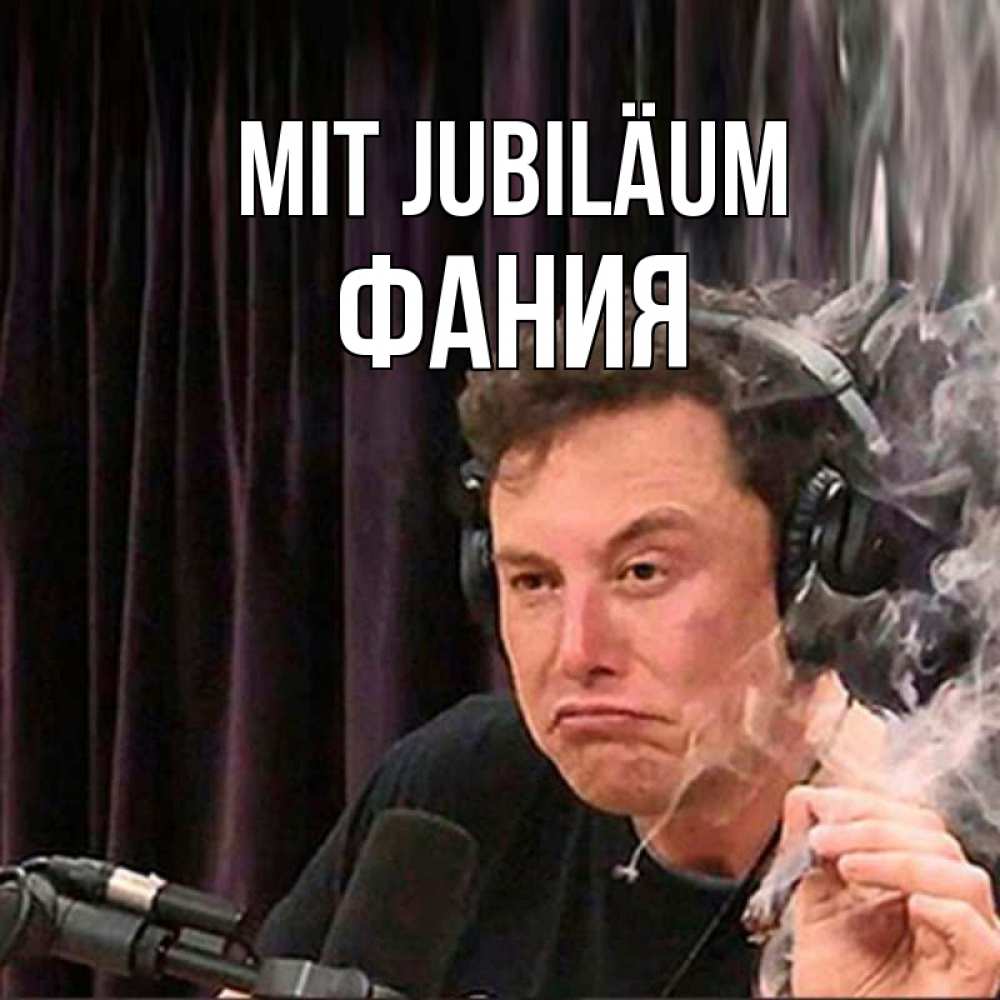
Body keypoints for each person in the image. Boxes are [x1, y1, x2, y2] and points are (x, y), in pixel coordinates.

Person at [255, 282, 1000, 997]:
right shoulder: (458, 790)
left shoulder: (955, 887)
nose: (577, 653)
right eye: (534, 581)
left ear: (810, 578)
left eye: (643, 572)